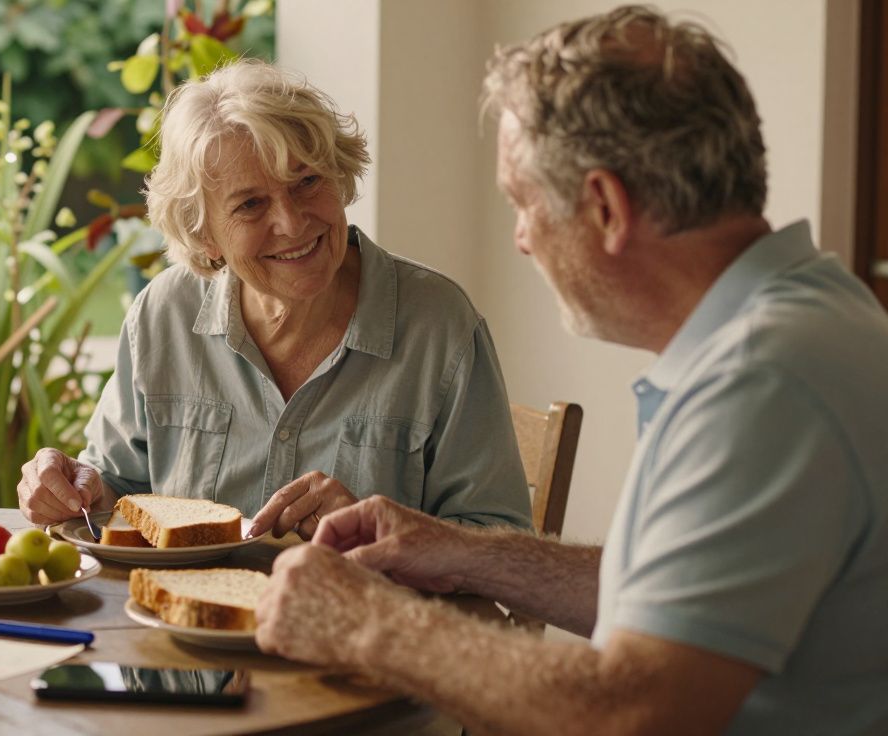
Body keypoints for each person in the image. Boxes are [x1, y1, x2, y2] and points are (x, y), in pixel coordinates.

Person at [255, 6, 888, 735]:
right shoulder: (810, 307)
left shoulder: (760, 384)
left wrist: (367, 623)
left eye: (522, 205)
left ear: (605, 207)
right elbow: (674, 607)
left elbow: (630, 710)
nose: (522, 240)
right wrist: (460, 553)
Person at [16, 60, 531, 537]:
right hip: (181, 626)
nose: (291, 223)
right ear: (205, 234)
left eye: (307, 181)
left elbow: (500, 538)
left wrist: (380, 535)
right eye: (251, 204)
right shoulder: (162, 316)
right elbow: (115, 490)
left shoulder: (439, 324)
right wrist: (71, 487)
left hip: (361, 631)